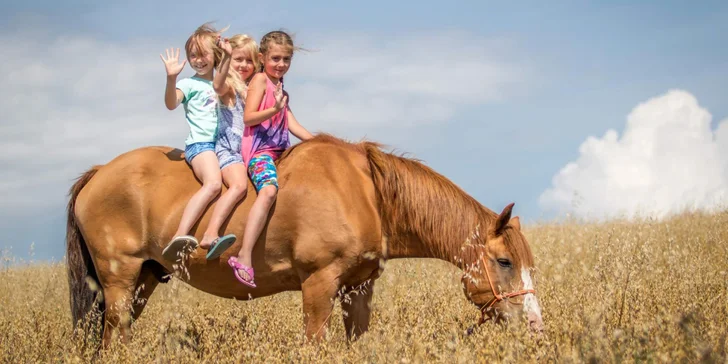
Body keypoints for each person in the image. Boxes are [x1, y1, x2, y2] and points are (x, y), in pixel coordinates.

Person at [228, 30, 314, 287]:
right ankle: (244, 255)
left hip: (281, 150)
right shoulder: (260, 82)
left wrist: (319, 142)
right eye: (276, 58)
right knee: (267, 192)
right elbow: (249, 117)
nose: (281, 64)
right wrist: (274, 108)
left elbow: (291, 124)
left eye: (286, 59)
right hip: (259, 151)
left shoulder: (280, 89)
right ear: (262, 57)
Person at [159, 23, 227, 261]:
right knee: (213, 185)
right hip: (201, 145)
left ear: (215, 55)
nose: (198, 60)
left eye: (204, 54)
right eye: (193, 55)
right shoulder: (188, 84)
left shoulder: (222, 82)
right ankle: (180, 235)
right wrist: (171, 78)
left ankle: (214, 232)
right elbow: (170, 104)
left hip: (225, 147)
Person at [198, 34, 262, 259]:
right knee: (238, 186)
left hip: (248, 151)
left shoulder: (251, 88)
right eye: (238, 59)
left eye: (249, 60)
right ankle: (210, 233)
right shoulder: (230, 87)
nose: (244, 65)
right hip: (229, 150)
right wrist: (225, 59)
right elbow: (217, 85)